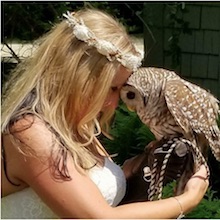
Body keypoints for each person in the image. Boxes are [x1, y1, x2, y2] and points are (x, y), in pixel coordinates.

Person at [1, 8, 209, 219]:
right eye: (111, 88)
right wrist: (187, 199)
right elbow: (99, 217)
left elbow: (89, 192)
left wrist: (134, 169)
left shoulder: (76, 125)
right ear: (78, 76)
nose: (115, 101)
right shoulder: (28, 131)